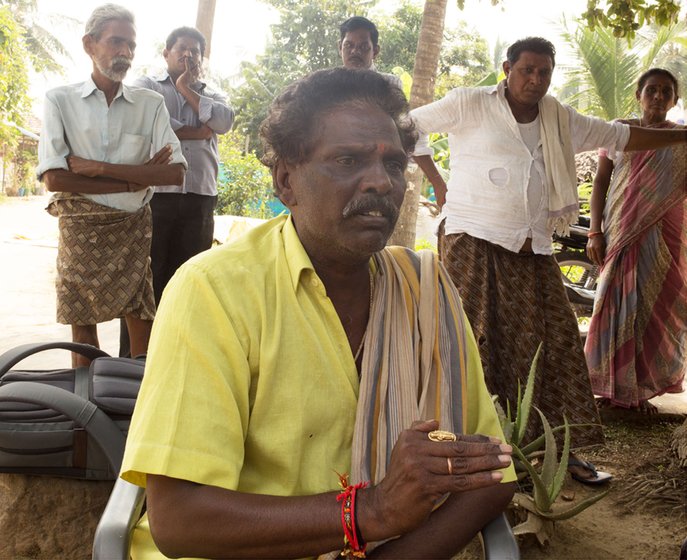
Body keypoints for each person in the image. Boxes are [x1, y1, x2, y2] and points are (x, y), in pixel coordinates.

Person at [121, 68, 516, 559]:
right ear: (286, 180)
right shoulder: (215, 291)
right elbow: (180, 520)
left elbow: (492, 471)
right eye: (347, 160)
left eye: (394, 164)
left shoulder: (425, 292)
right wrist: (369, 512)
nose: (380, 182)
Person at [411, 37, 687, 484]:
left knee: (556, 346)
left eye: (544, 72)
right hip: (472, 242)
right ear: (507, 68)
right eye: (527, 70)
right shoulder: (470, 104)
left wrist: (684, 134)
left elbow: (620, 136)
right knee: (476, 347)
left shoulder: (559, 118)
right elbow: (408, 128)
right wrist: (437, 182)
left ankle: (564, 453)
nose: (536, 80)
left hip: (532, 246)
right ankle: (481, 461)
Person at [36, 3, 186, 367]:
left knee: (140, 316)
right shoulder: (60, 100)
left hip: (132, 226)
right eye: (116, 42)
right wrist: (135, 177)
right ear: (90, 44)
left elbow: (174, 174)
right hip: (80, 227)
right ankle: (86, 412)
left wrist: (98, 169)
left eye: (131, 45)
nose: (125, 53)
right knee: (82, 325)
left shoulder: (150, 105)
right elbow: (54, 178)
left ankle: (138, 407)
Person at [585, 68, 687, 413]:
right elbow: (601, 181)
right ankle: (612, 389)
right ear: (638, 94)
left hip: (666, 232)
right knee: (615, 301)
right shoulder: (619, 132)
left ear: (674, 100)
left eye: (666, 92)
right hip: (621, 230)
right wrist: (594, 230)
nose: (658, 97)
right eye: (652, 90)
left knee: (660, 304)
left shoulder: (682, 138)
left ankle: (641, 391)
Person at [133, 26, 234, 305]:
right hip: (156, 195)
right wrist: (199, 131)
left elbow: (223, 123)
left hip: (200, 196)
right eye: (182, 49)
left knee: (191, 279)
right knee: (146, 278)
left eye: (195, 51)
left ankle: (180, 345)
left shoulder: (214, 94)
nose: (189, 55)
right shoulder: (146, 86)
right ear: (166, 53)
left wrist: (184, 88)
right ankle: (136, 350)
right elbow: (149, 125)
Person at [339, 16, 402, 89]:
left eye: (363, 47)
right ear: (340, 48)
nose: (355, 51)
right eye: (348, 45)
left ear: (375, 51)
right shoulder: (330, 83)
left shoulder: (390, 84)